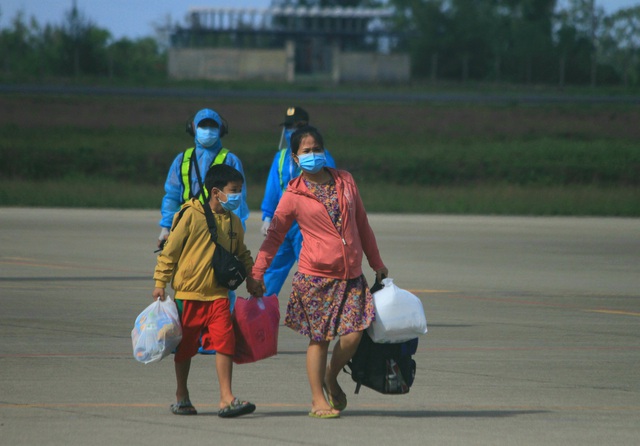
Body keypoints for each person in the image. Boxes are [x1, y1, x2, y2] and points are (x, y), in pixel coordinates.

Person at [252, 126, 388, 419]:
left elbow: (362, 223)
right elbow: (274, 236)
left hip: (351, 274)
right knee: (320, 339)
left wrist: (376, 262)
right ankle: (317, 400)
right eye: (306, 151)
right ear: (295, 157)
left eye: (317, 149)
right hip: (316, 277)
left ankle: (331, 376)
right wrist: (258, 272)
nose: (313, 155)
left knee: (354, 335)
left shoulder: (345, 181)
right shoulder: (293, 193)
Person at [152, 163, 261, 418]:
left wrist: (252, 278)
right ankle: (182, 395)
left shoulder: (234, 221)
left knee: (226, 343)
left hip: (219, 296)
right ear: (216, 192)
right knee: (186, 347)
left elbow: (242, 253)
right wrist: (160, 282)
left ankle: (227, 398)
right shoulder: (191, 215)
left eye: (240, 191)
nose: (238, 196)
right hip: (189, 296)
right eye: (233, 191)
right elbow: (170, 252)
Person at [259, 106, 336, 297]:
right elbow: (273, 188)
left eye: (298, 126)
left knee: (312, 271)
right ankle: (261, 308)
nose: (292, 130)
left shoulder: (320, 158)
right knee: (272, 269)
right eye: (288, 126)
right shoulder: (282, 157)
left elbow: (333, 190)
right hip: (283, 223)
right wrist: (267, 216)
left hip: (308, 225)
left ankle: (317, 311)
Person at [158, 108, 249, 250]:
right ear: (193, 128)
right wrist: (166, 226)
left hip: (219, 226)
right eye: (203, 126)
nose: (208, 130)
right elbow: (172, 196)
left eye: (212, 126)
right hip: (186, 224)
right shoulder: (182, 160)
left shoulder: (230, 160)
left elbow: (238, 200)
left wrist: (237, 231)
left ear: (220, 130)